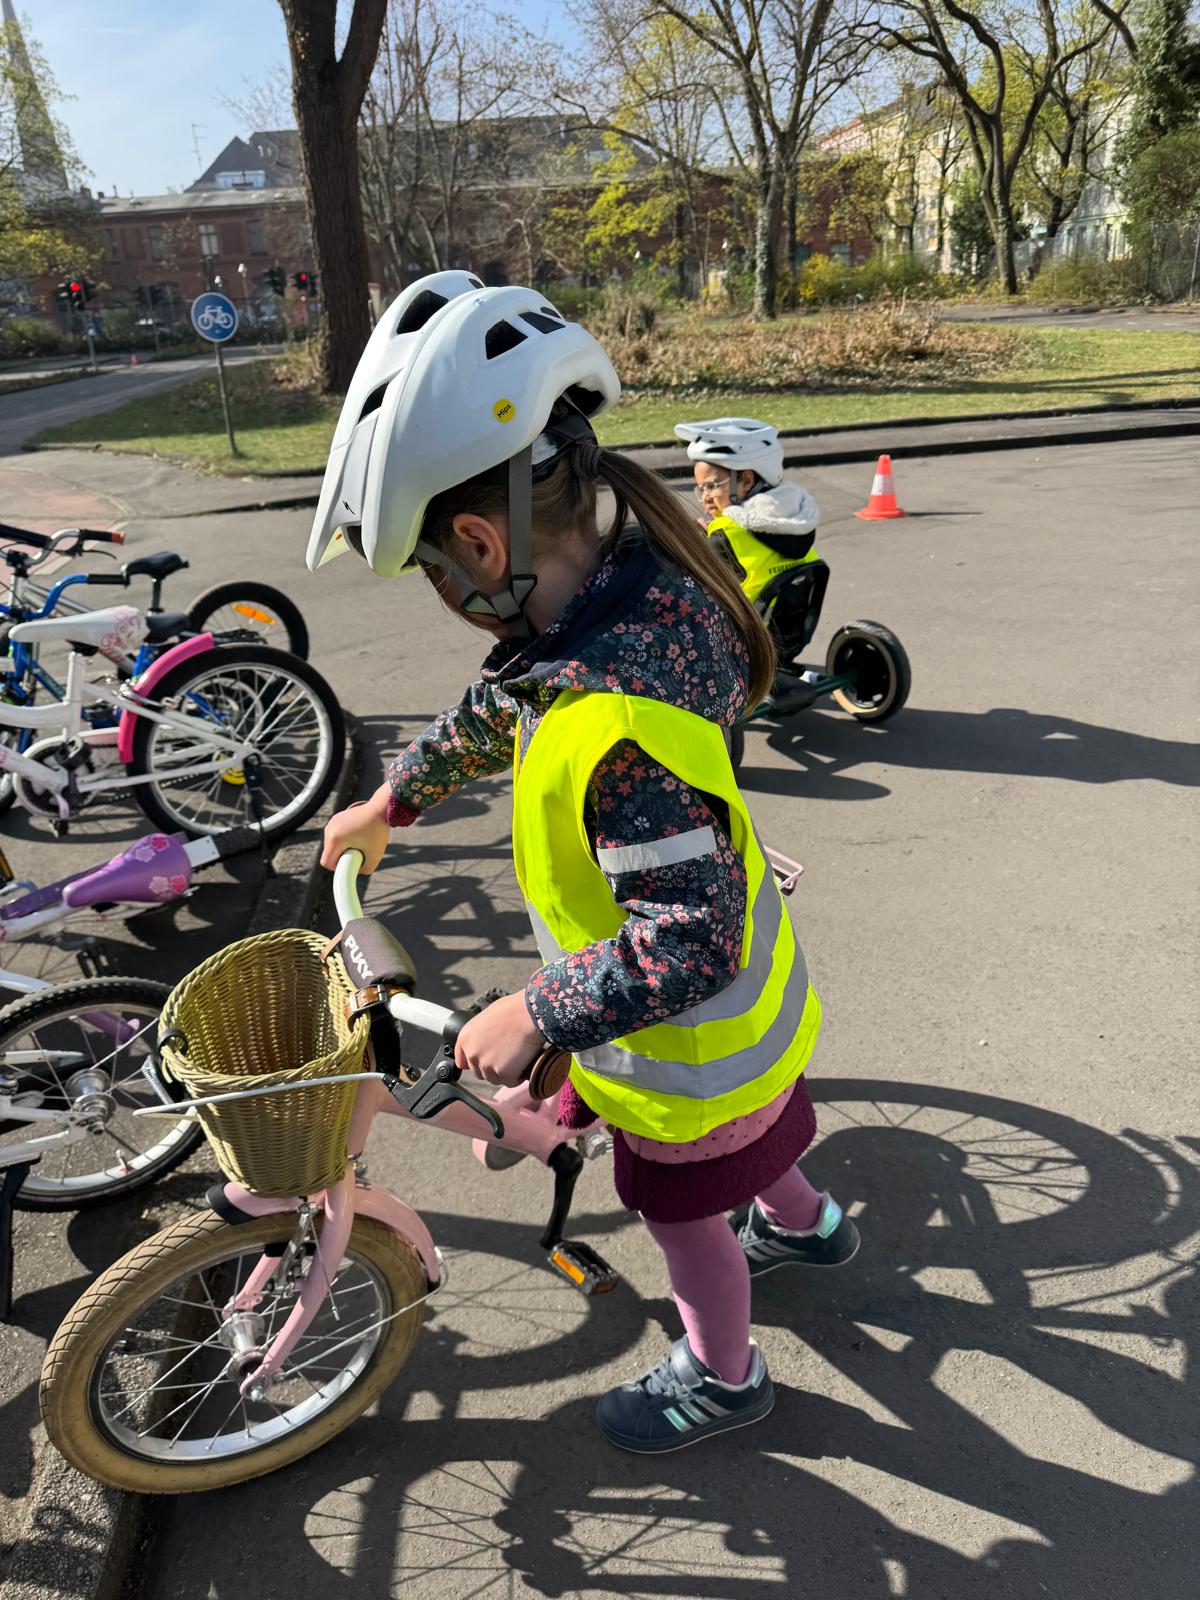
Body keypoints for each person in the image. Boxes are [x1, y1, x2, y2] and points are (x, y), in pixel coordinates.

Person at [311, 272, 860, 1455]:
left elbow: (686, 943)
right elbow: (499, 704)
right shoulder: (641, 589)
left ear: (477, 539)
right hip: (755, 1014)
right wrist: (390, 798)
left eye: (432, 571)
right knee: (770, 1135)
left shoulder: (611, 709)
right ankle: (810, 1228)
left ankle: (724, 1373)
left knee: (686, 1218)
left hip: (689, 1046)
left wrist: (535, 1004)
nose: (444, 596)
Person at [674, 417, 821, 606]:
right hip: (791, 629)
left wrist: (697, 544)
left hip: (745, 632)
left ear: (746, 481)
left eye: (711, 486)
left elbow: (693, 585)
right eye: (700, 488)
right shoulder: (796, 514)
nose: (705, 497)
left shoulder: (726, 533)